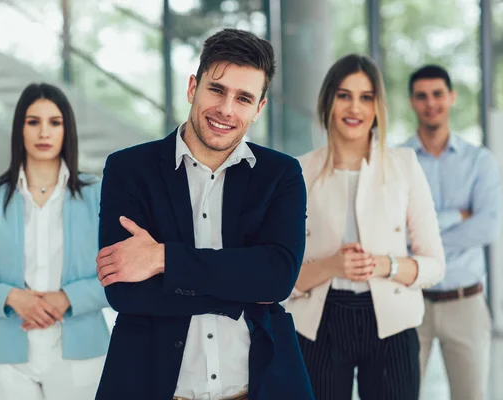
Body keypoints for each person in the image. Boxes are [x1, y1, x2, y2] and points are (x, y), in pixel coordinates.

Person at [95, 28, 314, 400]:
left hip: (259, 388)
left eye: (243, 98)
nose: (227, 110)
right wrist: (241, 286)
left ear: (259, 108)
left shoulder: (281, 174)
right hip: (152, 387)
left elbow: (276, 278)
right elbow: (124, 292)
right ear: (193, 87)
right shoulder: (128, 169)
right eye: (217, 89)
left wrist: (163, 258)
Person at [285, 54, 446, 400]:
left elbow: (434, 265)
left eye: (366, 96)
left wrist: (385, 265)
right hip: (317, 324)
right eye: (344, 95)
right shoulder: (298, 173)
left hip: (393, 323)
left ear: (377, 107)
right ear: (328, 100)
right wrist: (333, 265)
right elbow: (282, 277)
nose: (354, 107)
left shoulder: (404, 166)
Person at [0, 83, 111, 400]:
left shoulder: (96, 193)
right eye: (33, 121)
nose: (44, 132)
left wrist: (67, 297)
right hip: (8, 358)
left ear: (67, 129)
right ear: (20, 128)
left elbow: (118, 276)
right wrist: (15, 298)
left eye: (54, 122)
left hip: (82, 353)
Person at [403, 65, 501, 400]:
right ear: (411, 102)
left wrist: (423, 244)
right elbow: (391, 229)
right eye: (422, 96)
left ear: (451, 97)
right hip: (409, 300)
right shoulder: (398, 160)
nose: (431, 102)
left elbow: (488, 225)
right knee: (399, 393)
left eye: (437, 94)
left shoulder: (479, 161)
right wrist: (455, 216)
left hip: (466, 302)